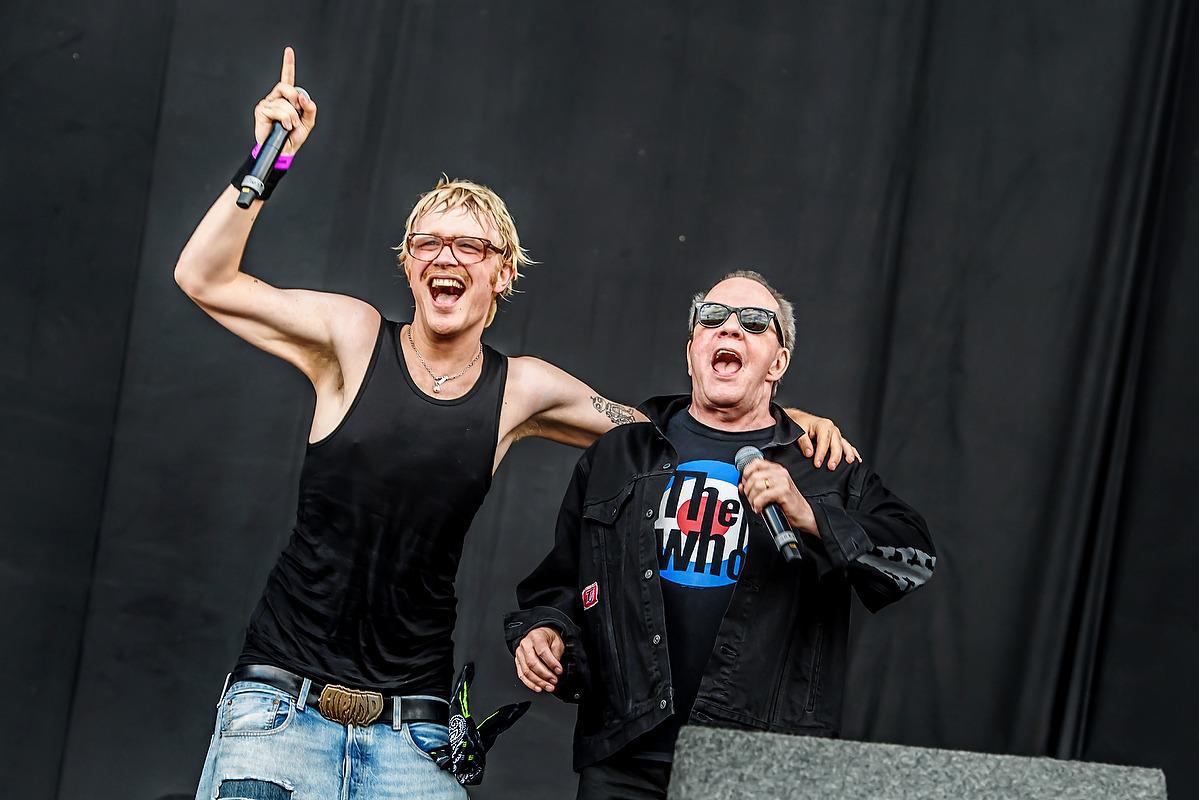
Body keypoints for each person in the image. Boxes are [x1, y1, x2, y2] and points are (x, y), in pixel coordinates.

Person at [177, 50, 859, 800]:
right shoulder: (351, 337)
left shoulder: (521, 389)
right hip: (281, 704)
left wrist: (778, 417)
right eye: (428, 244)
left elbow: (670, 437)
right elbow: (204, 278)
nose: (447, 257)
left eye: (468, 246)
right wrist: (265, 158)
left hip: (413, 726)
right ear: (407, 264)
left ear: (501, 272)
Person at [507, 271, 936, 799]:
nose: (729, 327)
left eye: (755, 323)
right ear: (692, 350)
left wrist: (808, 515)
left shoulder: (822, 466)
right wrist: (545, 631)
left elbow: (913, 561)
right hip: (625, 757)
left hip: (758, 768)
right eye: (712, 318)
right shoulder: (621, 453)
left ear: (777, 363)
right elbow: (562, 583)